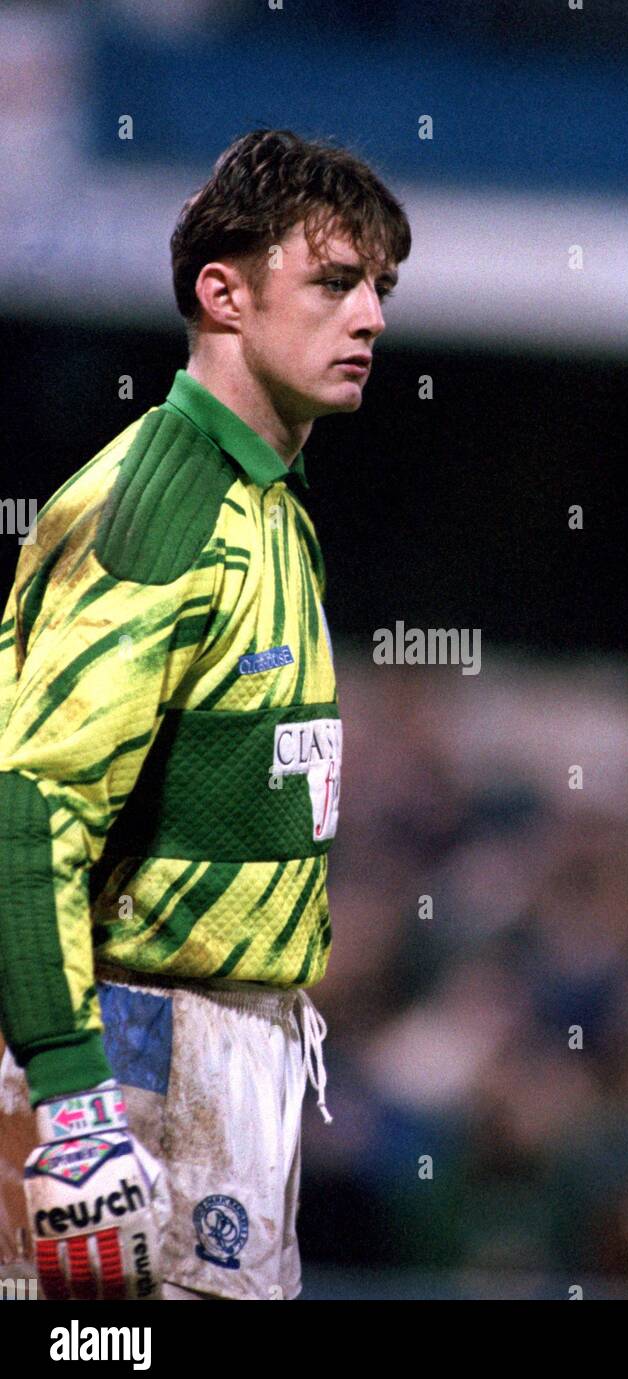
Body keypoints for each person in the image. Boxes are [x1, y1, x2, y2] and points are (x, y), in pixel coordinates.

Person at [0, 127, 410, 1300]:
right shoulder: (161, 506)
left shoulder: (269, 501)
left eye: (381, 287)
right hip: (137, 1058)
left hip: (237, 1053)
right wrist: (73, 1113)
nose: (372, 316)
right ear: (221, 293)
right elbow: (28, 808)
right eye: (336, 282)